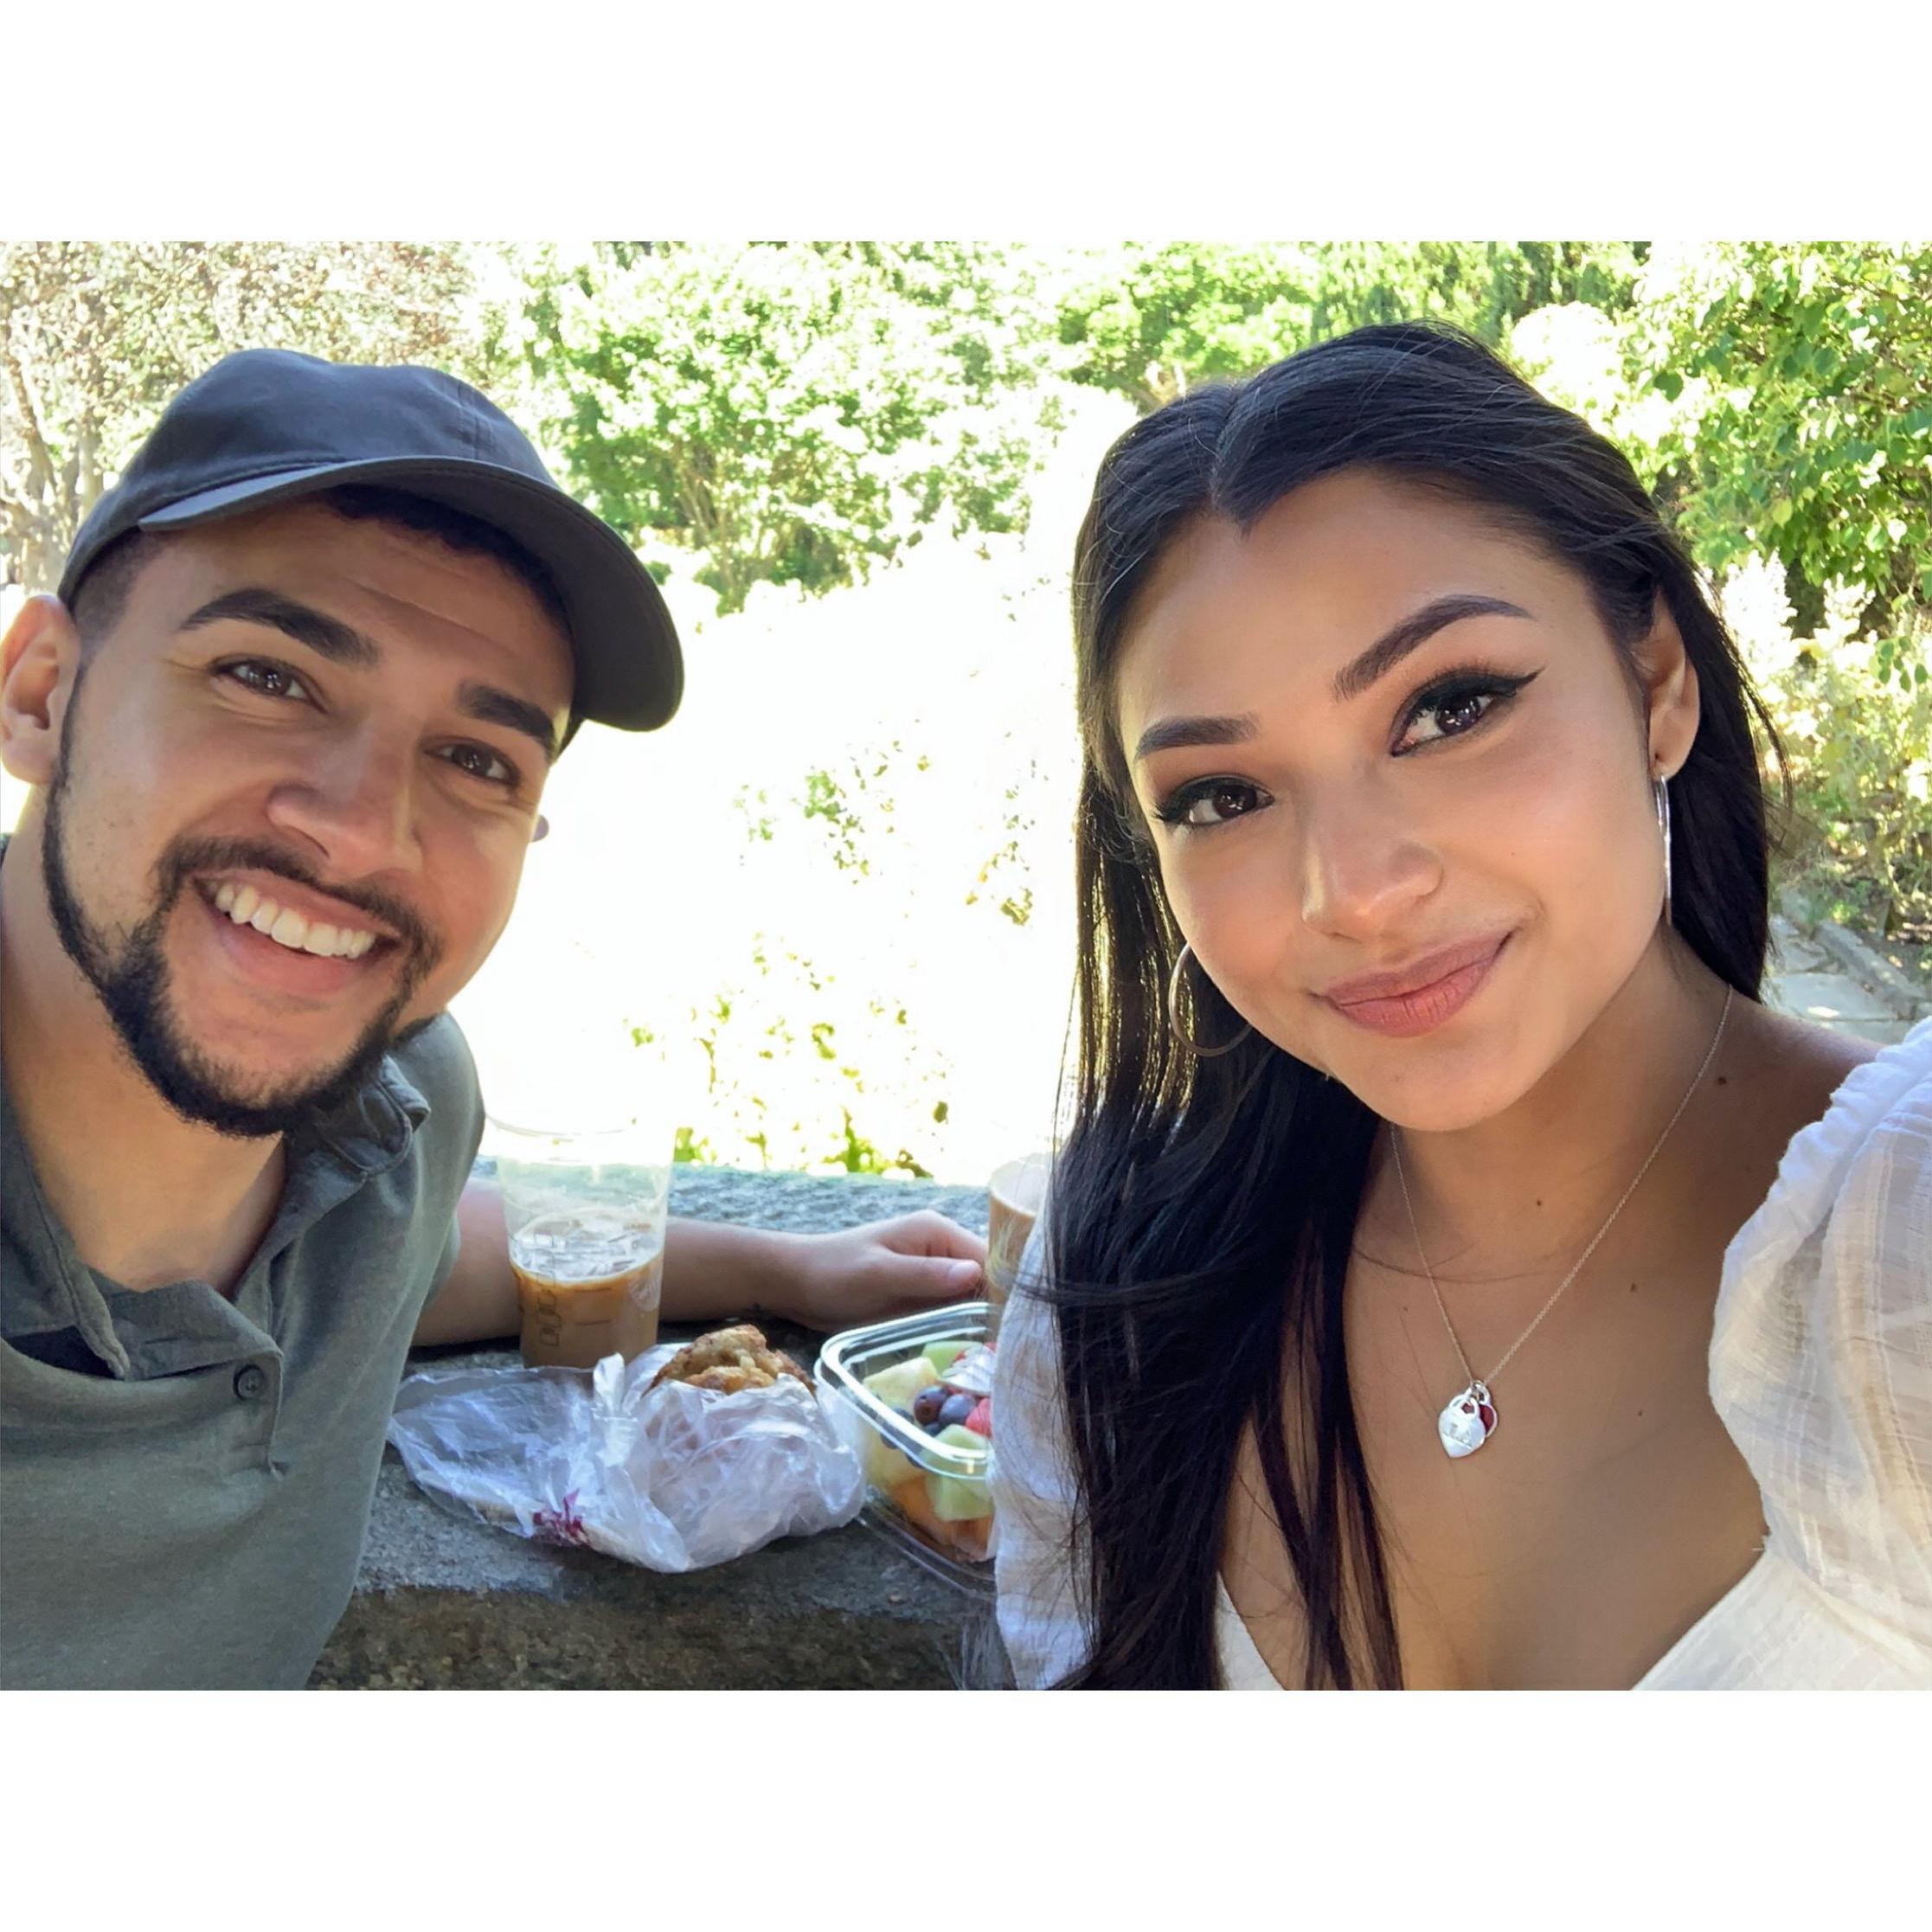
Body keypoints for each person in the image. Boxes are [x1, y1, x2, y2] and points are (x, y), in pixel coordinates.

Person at [0, 350, 985, 1690]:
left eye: (475, 758)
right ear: (42, 692)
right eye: (267, 675)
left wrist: (783, 1267)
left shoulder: (396, 1100)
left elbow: (403, 1246)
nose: (362, 828)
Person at [991, 323, 1931, 1691]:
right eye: (1222, 796)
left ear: (1656, 684)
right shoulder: (1121, 1296)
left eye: (1449, 708)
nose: (1356, 892)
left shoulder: (1895, 1250)